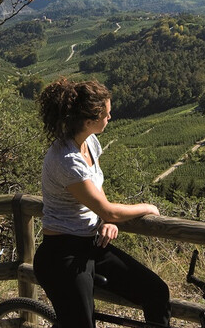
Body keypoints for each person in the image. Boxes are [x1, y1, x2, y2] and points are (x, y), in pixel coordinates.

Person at [32, 78, 171, 328]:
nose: (110, 117)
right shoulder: (67, 160)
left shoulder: (89, 142)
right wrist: (147, 208)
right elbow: (107, 208)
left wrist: (106, 220)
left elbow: (97, 196)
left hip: (91, 243)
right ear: (89, 121)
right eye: (107, 114)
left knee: (156, 292)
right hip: (62, 254)